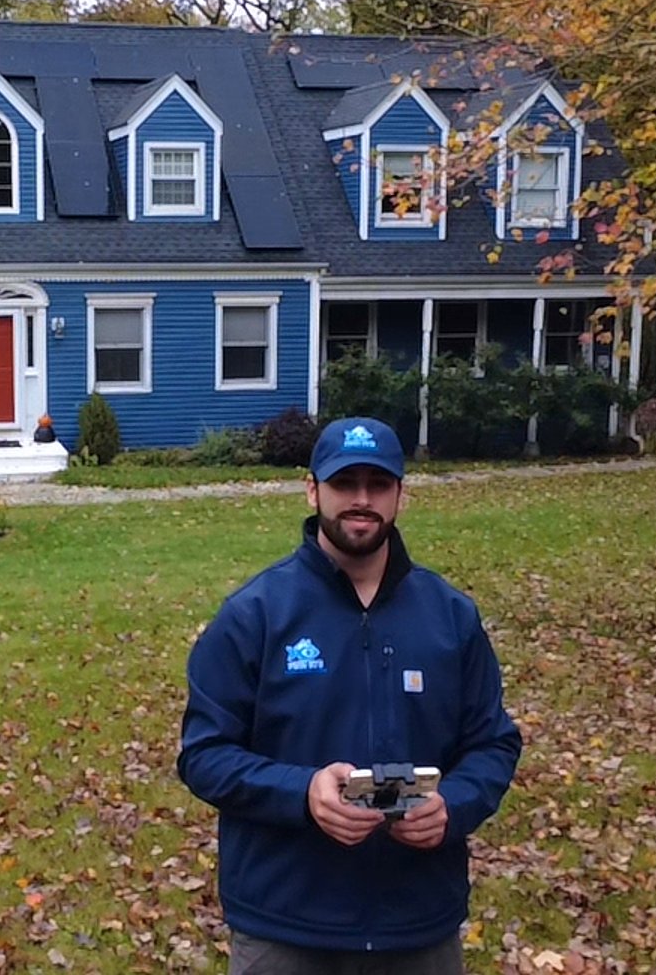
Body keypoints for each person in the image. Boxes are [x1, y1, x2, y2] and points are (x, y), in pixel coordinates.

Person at [177, 416, 522, 974]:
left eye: (378, 484)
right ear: (312, 489)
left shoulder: (449, 616)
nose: (361, 500)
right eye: (344, 483)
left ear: (400, 496)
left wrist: (452, 808)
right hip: (285, 921)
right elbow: (204, 754)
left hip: (417, 922)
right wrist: (302, 792)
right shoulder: (256, 615)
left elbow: (493, 743)